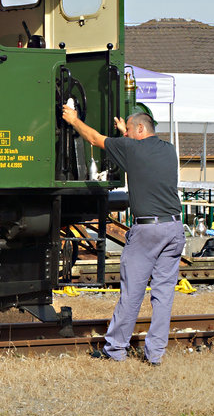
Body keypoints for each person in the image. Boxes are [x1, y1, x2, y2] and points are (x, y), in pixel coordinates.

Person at [61, 105, 185, 364]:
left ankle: (115, 349)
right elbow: (139, 144)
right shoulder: (169, 150)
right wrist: (125, 133)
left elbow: (94, 139)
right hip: (174, 228)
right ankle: (155, 355)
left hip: (147, 231)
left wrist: (73, 120)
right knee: (163, 296)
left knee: (132, 293)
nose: (125, 135)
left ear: (139, 129)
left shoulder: (130, 149)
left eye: (128, 130)